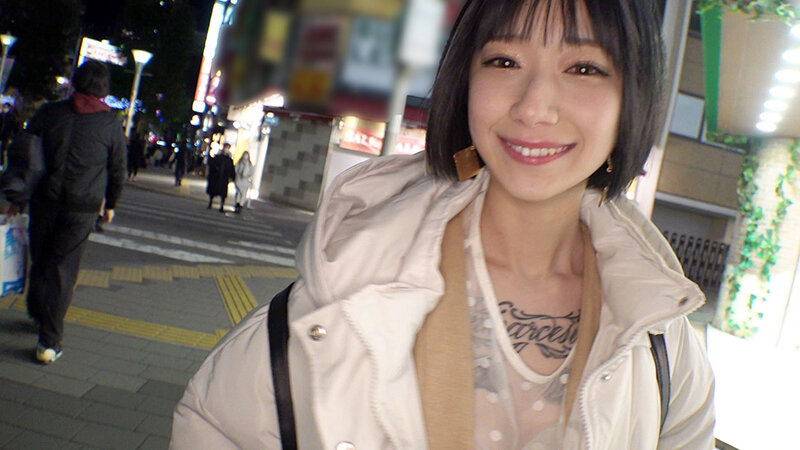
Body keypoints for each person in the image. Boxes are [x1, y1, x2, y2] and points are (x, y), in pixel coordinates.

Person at [171, 0, 715, 448]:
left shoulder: (658, 334)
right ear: (465, 77)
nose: (534, 107)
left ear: (633, 96)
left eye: (584, 68)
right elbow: (217, 427)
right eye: (504, 61)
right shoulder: (349, 291)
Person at [25, 60, 126, 364]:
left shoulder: (50, 112)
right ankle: (48, 342)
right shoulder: (110, 124)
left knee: (41, 258)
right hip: (81, 210)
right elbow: (118, 171)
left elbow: (25, 152)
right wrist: (110, 204)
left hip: (43, 201)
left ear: (75, 81)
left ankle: (37, 313)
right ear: (104, 89)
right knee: (62, 269)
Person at [205, 143, 234, 212]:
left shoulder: (229, 159)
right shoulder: (218, 157)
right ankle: (210, 203)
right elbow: (212, 166)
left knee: (223, 193)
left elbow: (231, 169)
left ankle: (221, 206)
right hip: (216, 177)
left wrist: (231, 177)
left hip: (224, 178)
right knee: (214, 191)